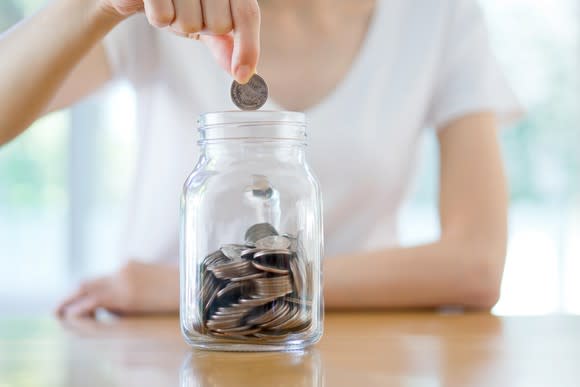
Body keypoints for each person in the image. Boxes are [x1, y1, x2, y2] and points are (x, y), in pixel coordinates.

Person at [0, 0, 521, 318]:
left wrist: (193, 286)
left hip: (359, 338)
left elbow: (475, 265)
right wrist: (99, 3)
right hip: (160, 340)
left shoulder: (438, 13)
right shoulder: (166, 10)